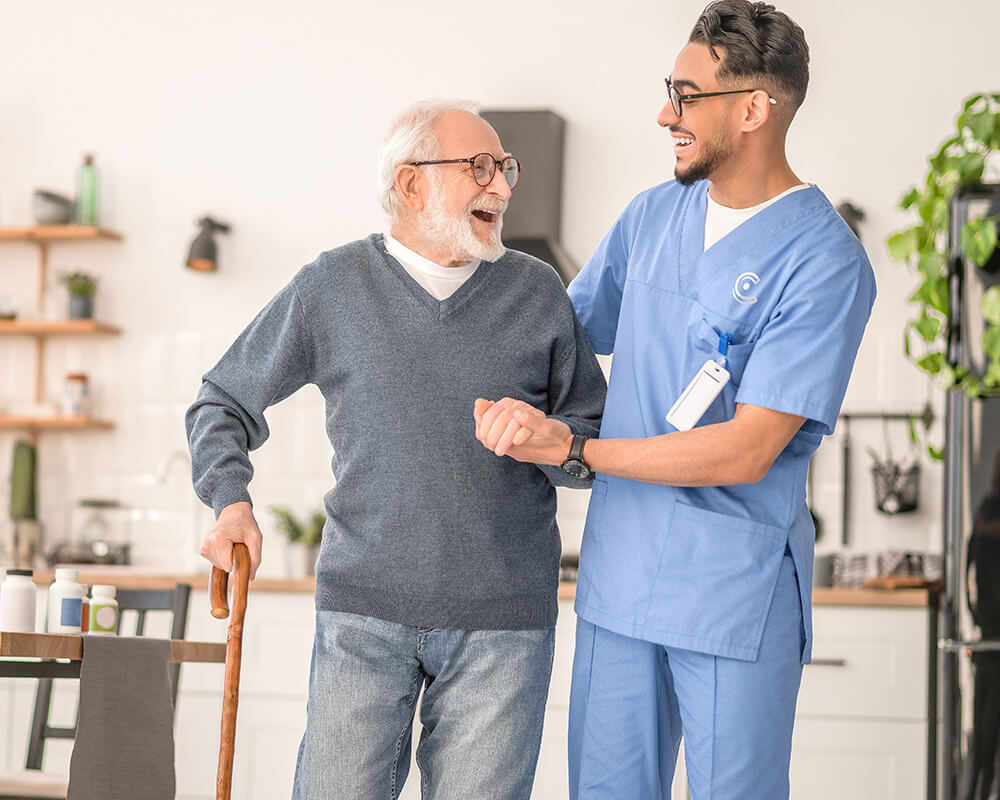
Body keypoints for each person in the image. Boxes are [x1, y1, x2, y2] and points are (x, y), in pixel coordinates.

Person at [473, 2, 876, 798]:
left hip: (733, 594)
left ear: (755, 108)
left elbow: (748, 446)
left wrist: (577, 449)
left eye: (686, 95)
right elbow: (555, 339)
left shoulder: (825, 261)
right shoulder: (653, 216)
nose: (665, 114)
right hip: (622, 580)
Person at [186, 98, 606, 800]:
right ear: (412, 184)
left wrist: (551, 443)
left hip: (504, 626)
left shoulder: (537, 292)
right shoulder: (332, 286)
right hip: (362, 615)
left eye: (506, 168)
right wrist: (230, 502)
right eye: (479, 168)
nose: (501, 187)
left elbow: (592, 444)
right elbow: (222, 400)